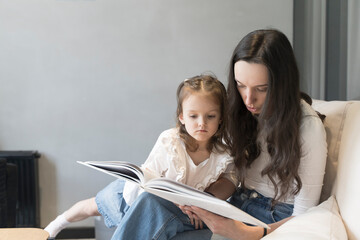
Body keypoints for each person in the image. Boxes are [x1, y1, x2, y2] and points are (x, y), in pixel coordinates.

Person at [103, 29, 327, 240]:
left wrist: (249, 233)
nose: (248, 99)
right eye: (240, 85)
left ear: (282, 84)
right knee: (135, 196)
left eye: (262, 88)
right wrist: (203, 201)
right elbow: (232, 174)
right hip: (232, 205)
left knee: (142, 209)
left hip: (268, 219)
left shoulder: (308, 128)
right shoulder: (240, 111)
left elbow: (305, 215)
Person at [44, 74, 238, 238]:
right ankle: (55, 225)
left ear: (221, 117)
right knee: (89, 207)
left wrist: (200, 204)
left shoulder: (223, 153)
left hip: (170, 210)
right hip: (135, 195)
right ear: (182, 117)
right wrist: (181, 201)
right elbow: (151, 179)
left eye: (210, 116)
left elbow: (229, 181)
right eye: (193, 116)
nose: (201, 123)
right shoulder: (170, 141)